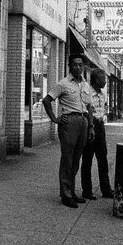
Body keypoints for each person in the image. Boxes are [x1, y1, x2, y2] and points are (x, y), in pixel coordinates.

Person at [43, 54, 94, 208]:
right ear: (69, 66)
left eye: (80, 65)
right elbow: (47, 100)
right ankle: (65, 195)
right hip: (69, 122)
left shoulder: (85, 85)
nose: (78, 67)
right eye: (75, 65)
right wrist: (54, 118)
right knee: (67, 159)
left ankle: (72, 192)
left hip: (83, 121)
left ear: (83, 66)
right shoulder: (63, 84)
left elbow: (90, 107)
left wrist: (91, 126)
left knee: (77, 159)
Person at [80, 68, 114, 200]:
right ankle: (87, 191)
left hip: (100, 126)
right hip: (90, 126)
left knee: (103, 159)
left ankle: (106, 189)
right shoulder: (86, 93)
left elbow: (103, 109)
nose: (105, 82)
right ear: (95, 80)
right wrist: (90, 126)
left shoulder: (102, 94)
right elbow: (86, 111)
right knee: (87, 159)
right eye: (102, 79)